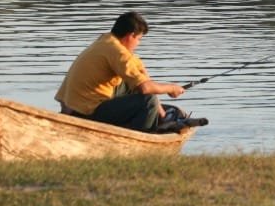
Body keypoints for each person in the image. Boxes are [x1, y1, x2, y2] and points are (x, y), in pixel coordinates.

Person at [55, 11, 187, 132]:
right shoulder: (118, 53)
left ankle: (163, 117)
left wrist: (162, 114)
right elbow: (146, 88)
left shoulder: (106, 40)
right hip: (88, 111)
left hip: (72, 106)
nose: (138, 44)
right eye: (139, 39)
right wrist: (172, 88)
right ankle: (143, 139)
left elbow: (136, 66)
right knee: (148, 100)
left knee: (131, 83)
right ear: (131, 36)